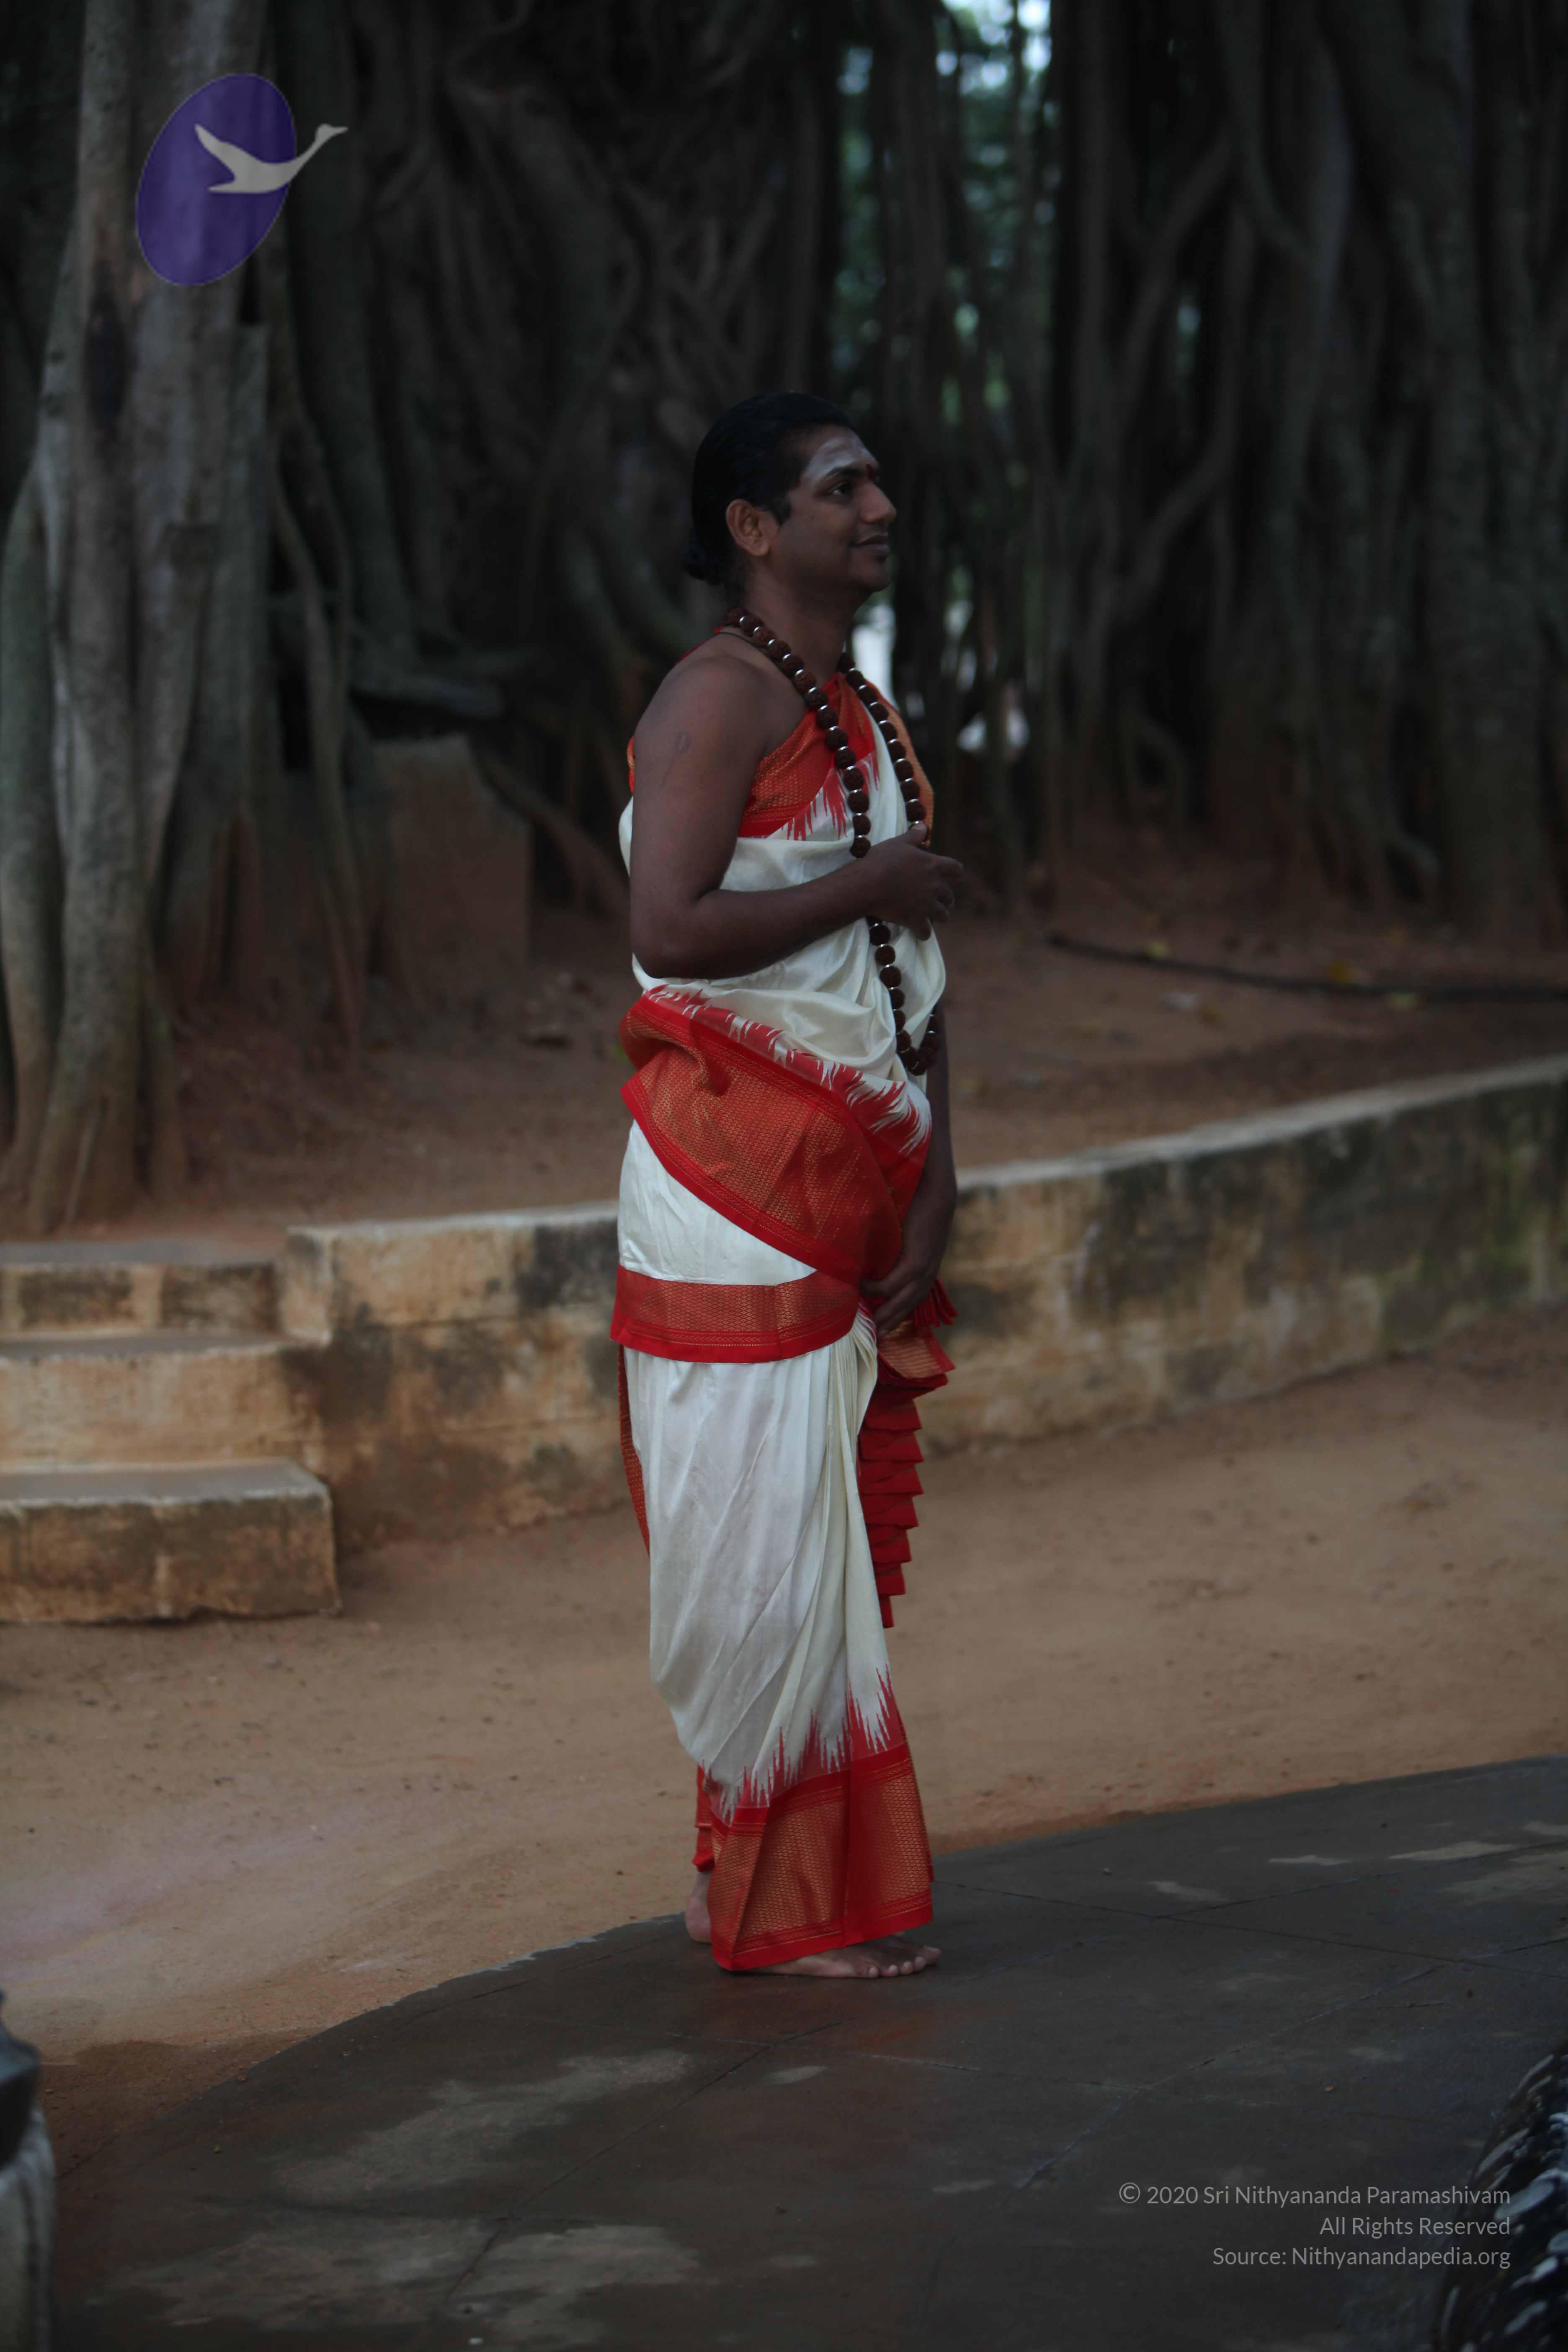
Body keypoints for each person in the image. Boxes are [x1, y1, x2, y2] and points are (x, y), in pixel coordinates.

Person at [612, 392, 964, 1979]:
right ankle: (782, 1901)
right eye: (841, 487)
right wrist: (867, 880)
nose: (878, 506)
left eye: (875, 481)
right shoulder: (713, 699)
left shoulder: (859, 704)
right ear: (754, 529)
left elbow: (912, 958)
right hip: (732, 1175)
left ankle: (742, 1878)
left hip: (859, 1167)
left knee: (821, 1543)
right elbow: (670, 928)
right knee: (763, 1548)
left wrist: (941, 1170)